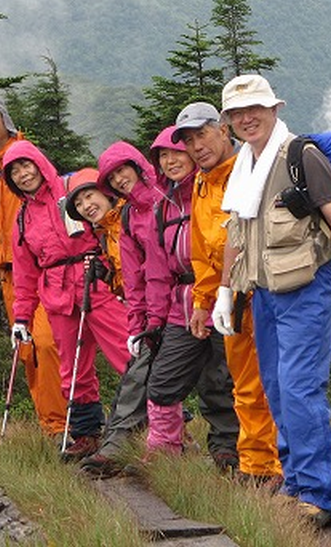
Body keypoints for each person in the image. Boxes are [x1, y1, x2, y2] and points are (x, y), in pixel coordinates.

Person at [216, 74, 331, 528]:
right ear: (231, 123)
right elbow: (236, 235)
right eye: (238, 114)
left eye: (254, 109)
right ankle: (295, 483)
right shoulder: (244, 167)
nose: (247, 118)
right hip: (264, 294)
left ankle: (320, 495)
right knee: (277, 391)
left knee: (300, 388)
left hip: (306, 290)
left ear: (274, 109)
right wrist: (225, 289)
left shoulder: (301, 155)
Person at [174, 101, 283, 489]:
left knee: (269, 381)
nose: (196, 146)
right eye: (188, 140)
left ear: (224, 130)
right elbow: (203, 253)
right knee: (243, 384)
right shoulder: (202, 184)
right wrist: (203, 303)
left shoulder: (247, 170)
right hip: (227, 300)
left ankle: (274, 465)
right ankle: (257, 466)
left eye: (201, 134)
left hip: (260, 291)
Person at [3, 139, 131, 459]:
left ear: (38, 162)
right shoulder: (21, 219)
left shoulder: (71, 189)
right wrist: (22, 318)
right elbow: (24, 273)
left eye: (26, 165)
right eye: (14, 171)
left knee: (128, 351)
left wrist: (111, 267)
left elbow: (108, 221)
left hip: (96, 283)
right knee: (73, 371)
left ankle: (168, 424)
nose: (22, 174)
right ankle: (86, 434)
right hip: (57, 295)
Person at [141, 126, 239, 465]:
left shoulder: (215, 189)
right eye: (163, 156)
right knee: (163, 382)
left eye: (176, 153)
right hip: (182, 305)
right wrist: (154, 319)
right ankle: (165, 452)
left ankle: (229, 451)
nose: (170, 161)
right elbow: (156, 270)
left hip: (224, 296)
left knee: (221, 380)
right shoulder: (161, 208)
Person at [0, 97, 65, 437]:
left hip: (43, 270)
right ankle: (52, 425)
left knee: (47, 344)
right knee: (29, 352)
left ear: (5, 120)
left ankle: (65, 425)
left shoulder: (24, 160)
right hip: (8, 279)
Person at [64, 168, 152, 478]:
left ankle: (120, 445)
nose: (86, 205)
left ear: (105, 192)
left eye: (89, 195)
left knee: (140, 371)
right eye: (79, 203)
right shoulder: (106, 230)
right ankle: (162, 443)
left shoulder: (127, 218)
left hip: (158, 308)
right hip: (144, 309)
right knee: (143, 373)